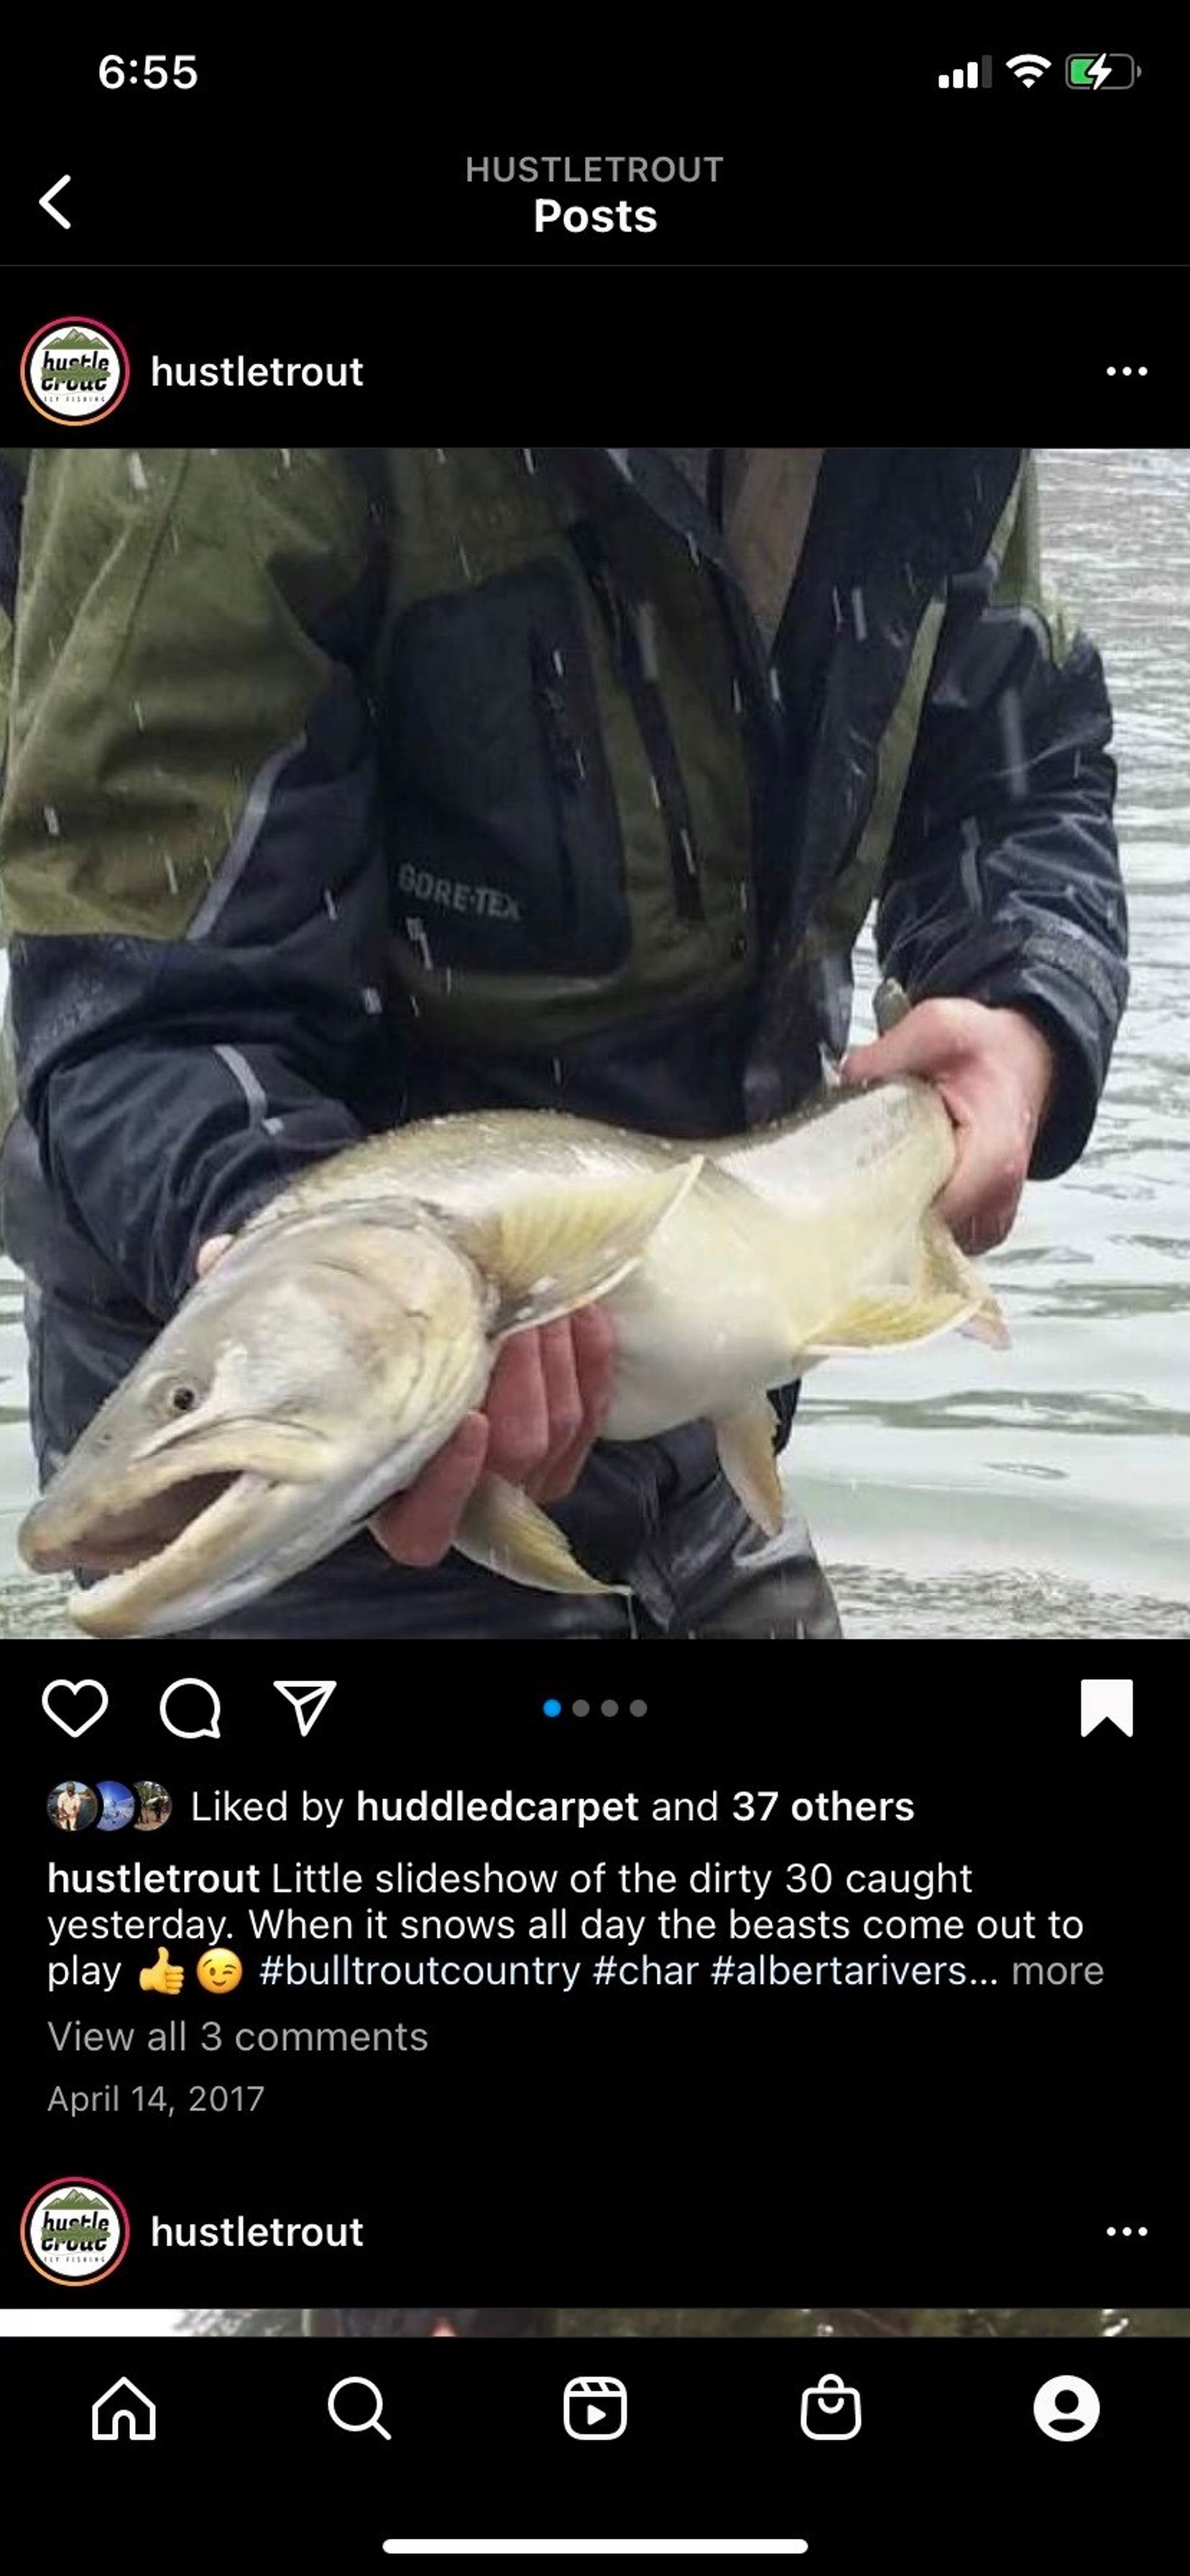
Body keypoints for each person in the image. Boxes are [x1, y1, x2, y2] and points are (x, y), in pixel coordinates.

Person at [0, 448, 1127, 1639]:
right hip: (305, 1469)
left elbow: (1020, 771)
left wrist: (1023, 1008)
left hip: (705, 1411)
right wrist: (269, 1225)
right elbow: (145, 997)